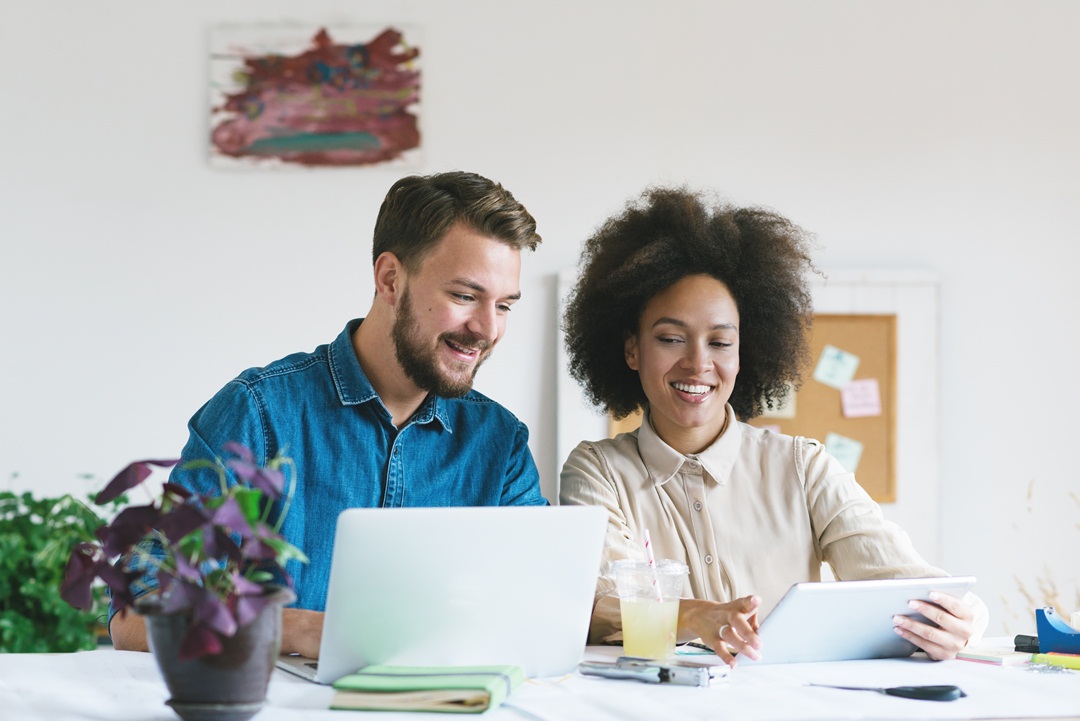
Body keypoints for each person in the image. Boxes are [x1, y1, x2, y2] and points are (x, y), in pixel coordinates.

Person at [110, 171, 548, 656]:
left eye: (504, 305)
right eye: (465, 296)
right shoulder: (258, 412)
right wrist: (292, 630)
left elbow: (541, 601)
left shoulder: (500, 442)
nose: (487, 328)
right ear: (390, 279)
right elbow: (137, 611)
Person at [559, 187, 987, 667]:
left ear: (747, 353)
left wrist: (961, 622)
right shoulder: (597, 471)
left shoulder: (803, 466)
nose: (698, 363)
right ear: (632, 350)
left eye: (720, 342)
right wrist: (696, 616)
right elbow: (597, 605)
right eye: (671, 338)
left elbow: (904, 579)